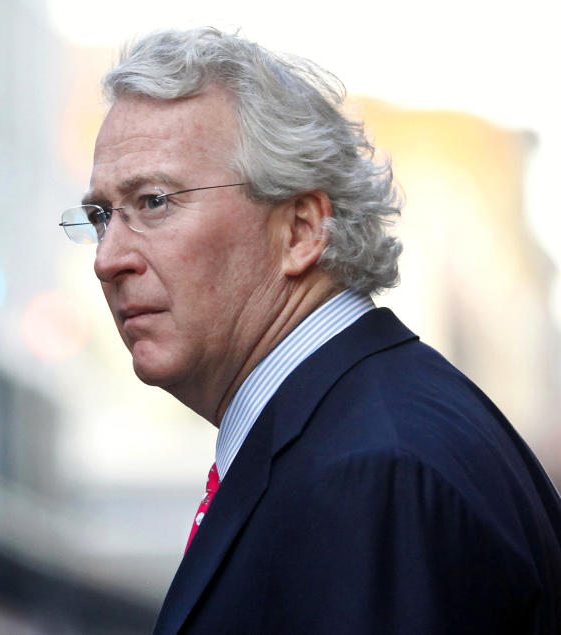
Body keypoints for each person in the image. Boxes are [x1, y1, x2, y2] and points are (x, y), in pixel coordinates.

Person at [59, 27, 561, 634]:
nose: (107, 258)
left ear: (300, 230)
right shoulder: (358, 434)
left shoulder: (371, 472)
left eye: (155, 202)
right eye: (100, 216)